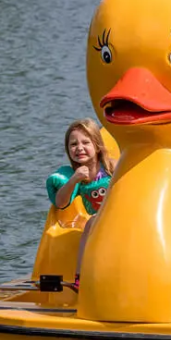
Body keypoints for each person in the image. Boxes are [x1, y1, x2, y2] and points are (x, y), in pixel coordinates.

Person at [46, 118, 116, 287]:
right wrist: (73, 181)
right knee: (91, 223)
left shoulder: (110, 167)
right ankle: (80, 277)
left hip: (119, 216)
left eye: (86, 142)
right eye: (73, 144)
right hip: (99, 222)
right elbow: (60, 202)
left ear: (97, 146)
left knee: (94, 222)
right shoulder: (74, 175)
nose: (79, 148)